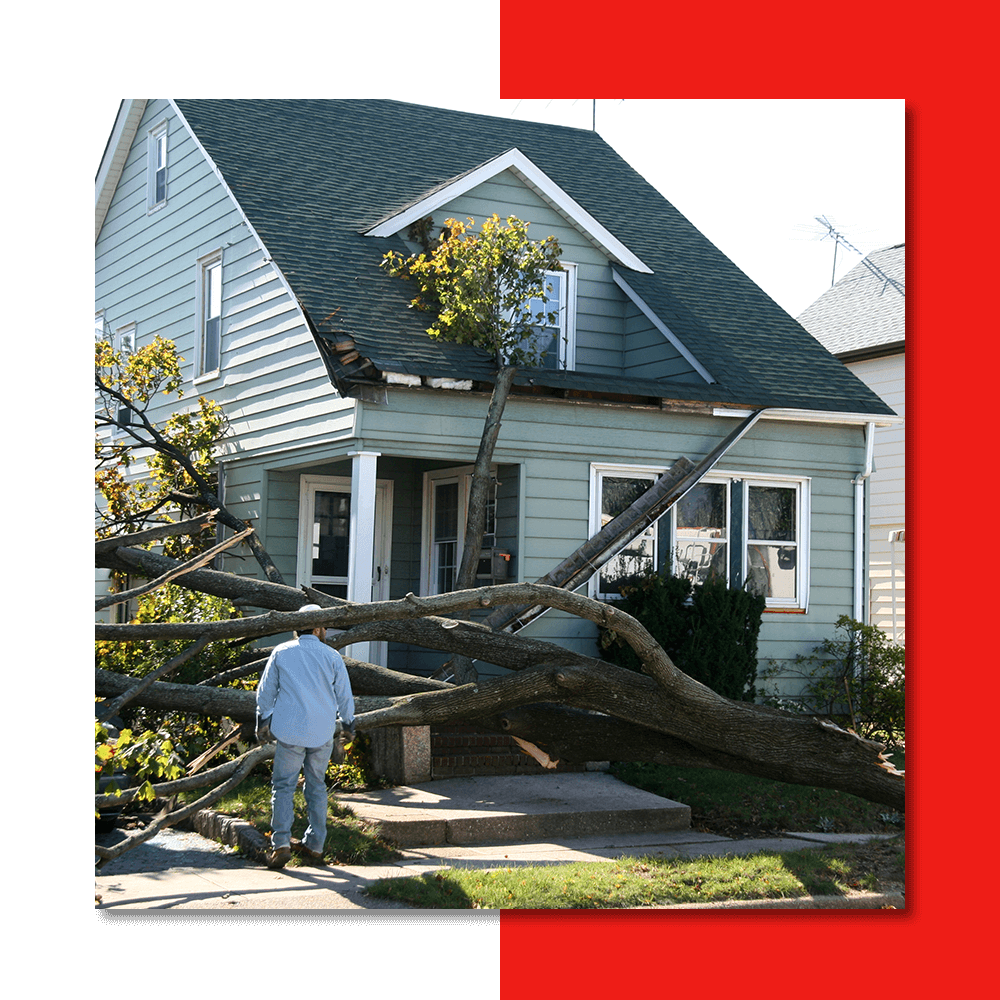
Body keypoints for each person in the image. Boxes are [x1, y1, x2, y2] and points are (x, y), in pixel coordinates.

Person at [255, 604, 355, 868]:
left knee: (284, 786)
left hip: (289, 730)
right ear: (318, 628)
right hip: (321, 732)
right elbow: (344, 695)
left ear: (297, 628)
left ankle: (281, 843)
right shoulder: (331, 656)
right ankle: (316, 845)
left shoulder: (282, 652)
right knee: (316, 786)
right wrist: (348, 725)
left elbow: (266, 692)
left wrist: (262, 721)